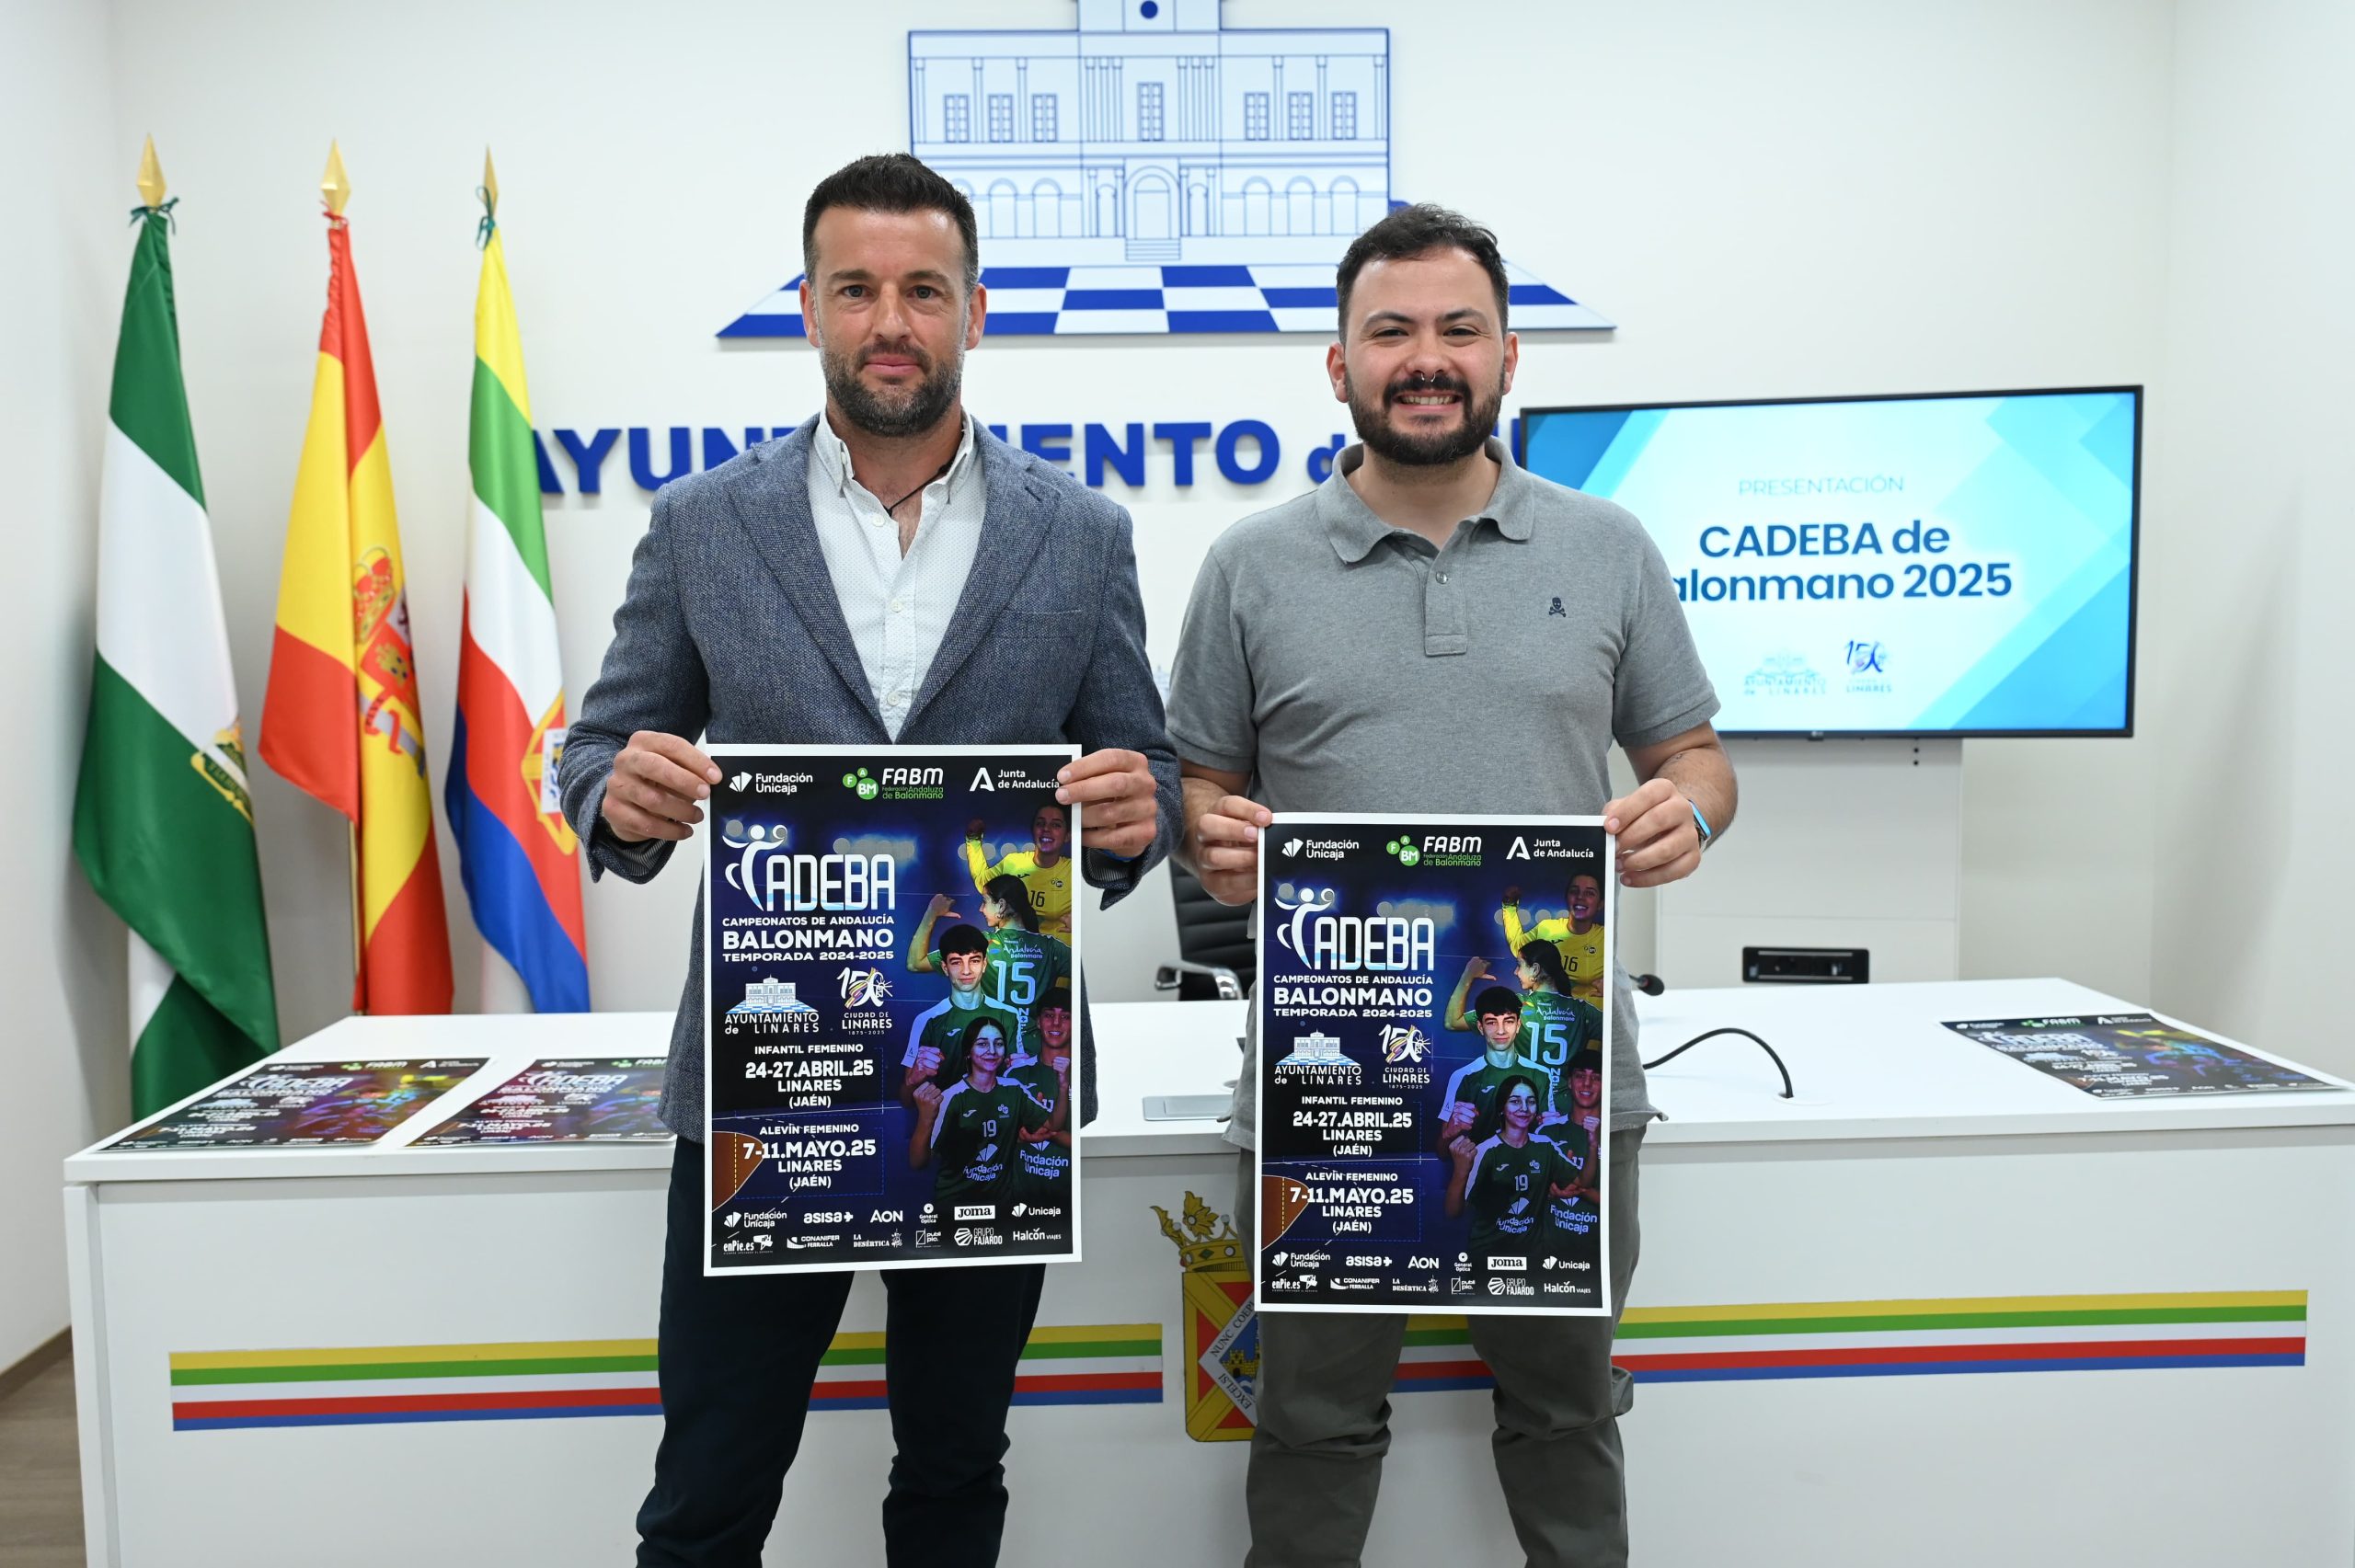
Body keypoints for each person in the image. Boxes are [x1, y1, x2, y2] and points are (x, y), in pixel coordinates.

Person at [556, 153, 1179, 1568]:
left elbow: (1144, 763)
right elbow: (597, 753)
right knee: (710, 1482)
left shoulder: (1081, 535)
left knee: (956, 1466)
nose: (888, 319)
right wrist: (622, 797)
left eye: (921, 290)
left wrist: (1136, 812)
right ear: (810, 308)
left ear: (975, 311)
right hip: (769, 1089)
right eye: (856, 289)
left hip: (993, 1077)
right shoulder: (706, 521)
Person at [1168, 202, 1736, 1568]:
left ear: (1506, 354)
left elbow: (1698, 758)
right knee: (1309, 1415)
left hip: (1565, 1073)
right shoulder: (1249, 564)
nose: (1427, 358)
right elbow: (1190, 787)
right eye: (1393, 332)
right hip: (1329, 1081)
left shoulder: (1610, 547)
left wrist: (1690, 820)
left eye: (1457, 330)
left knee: (1565, 1409)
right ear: (1339, 363)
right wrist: (1212, 833)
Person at [908, 878, 1071, 1060]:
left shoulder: (979, 945)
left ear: (1001, 905)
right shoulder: (1050, 948)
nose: (981, 909)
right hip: (1036, 1052)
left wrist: (932, 913)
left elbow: (915, 963)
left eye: (984, 901)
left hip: (990, 1052)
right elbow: (1090, 977)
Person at [910, 1016, 1059, 1208]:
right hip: (955, 1206)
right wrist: (924, 1119)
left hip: (1001, 1207)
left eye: (998, 1044)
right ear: (968, 1052)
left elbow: (1050, 1126)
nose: (991, 1051)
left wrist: (1062, 1085)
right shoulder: (951, 1097)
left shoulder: (1014, 1088)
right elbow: (917, 1162)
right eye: (982, 1044)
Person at [1443, 1073, 1583, 1271]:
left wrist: (1557, 1190)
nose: (1524, 1108)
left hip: (1533, 1259)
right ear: (1502, 1108)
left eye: (1531, 1102)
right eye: (1515, 1101)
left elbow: (1578, 1183)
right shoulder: (1484, 1151)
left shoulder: (1545, 1146)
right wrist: (1460, 1171)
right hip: (1487, 1258)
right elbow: (1453, 1211)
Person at [901, 921, 1020, 1109]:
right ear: (945, 967)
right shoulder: (927, 1020)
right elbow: (906, 1101)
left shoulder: (1008, 1015)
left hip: (1001, 1126)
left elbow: (1019, 1084)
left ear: (984, 964)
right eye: (956, 962)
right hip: (947, 1129)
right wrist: (914, 1079)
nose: (966, 971)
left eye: (974, 960)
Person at [1438, 967, 1565, 1145]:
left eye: (1509, 1021)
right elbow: (1443, 1152)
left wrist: (1554, 1130)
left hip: (1531, 1170)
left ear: (1518, 1025)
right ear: (1480, 1027)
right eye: (1491, 1022)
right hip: (1478, 1171)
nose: (1501, 1030)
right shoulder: (1462, 1077)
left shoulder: (1541, 1075)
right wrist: (1451, 1130)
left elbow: (1550, 1139)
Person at [1002, 979, 1075, 1207]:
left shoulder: (1085, 1077)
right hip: (1021, 1202)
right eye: (1048, 1015)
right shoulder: (1016, 1074)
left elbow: (1088, 1144)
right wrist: (1018, 1135)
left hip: (1070, 1201)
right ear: (1038, 1022)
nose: (1056, 1023)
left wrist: (1043, 1127)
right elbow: (997, 1134)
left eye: (1065, 1017)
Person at [965, 805, 1074, 939]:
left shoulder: (1073, 872)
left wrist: (1083, 921)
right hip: (1011, 954)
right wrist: (973, 840)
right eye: (1040, 823)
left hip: (1053, 956)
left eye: (1056, 825)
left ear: (1067, 836)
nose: (1046, 829)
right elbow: (983, 883)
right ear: (1033, 831)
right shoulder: (1013, 863)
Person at [1502, 872, 1607, 1004]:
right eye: (1574, 891)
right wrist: (1509, 907)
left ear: (1600, 904)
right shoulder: (1547, 928)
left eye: (1589, 893)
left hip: (1585, 1021)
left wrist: (1612, 992)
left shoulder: (1606, 939)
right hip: (1545, 1017)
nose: (1580, 897)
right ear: (1567, 898)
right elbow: (1518, 948)